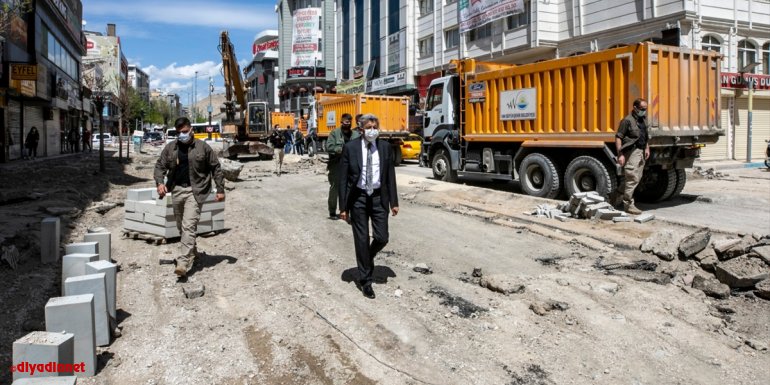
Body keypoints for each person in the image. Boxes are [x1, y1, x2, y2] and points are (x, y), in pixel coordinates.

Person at [154, 117, 225, 277]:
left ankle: (183, 262)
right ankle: (192, 251)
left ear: (191, 129)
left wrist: (220, 189)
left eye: (185, 132)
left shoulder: (203, 147)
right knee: (181, 226)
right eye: (179, 133)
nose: (182, 135)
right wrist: (159, 183)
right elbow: (160, 166)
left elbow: (216, 167)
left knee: (188, 226)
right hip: (177, 190)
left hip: (196, 190)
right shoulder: (171, 148)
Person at [339, 114, 399, 299]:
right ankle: (365, 280)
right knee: (362, 238)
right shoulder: (350, 148)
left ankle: (368, 257)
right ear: (361, 129)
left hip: (379, 197)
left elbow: (390, 175)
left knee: (382, 237)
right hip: (358, 198)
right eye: (369, 127)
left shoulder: (385, 147)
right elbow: (343, 179)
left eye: (375, 126)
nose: (373, 130)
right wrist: (343, 207)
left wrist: (394, 202)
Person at [611, 98, 650, 215]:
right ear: (635, 108)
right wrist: (620, 154)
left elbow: (644, 135)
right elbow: (618, 137)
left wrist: (647, 148)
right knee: (632, 177)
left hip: (641, 152)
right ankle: (628, 205)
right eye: (642, 109)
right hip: (631, 152)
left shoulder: (643, 119)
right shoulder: (626, 121)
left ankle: (615, 197)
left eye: (646, 109)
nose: (644, 111)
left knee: (636, 178)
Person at [326, 113, 359, 219]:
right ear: (341, 122)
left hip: (351, 165)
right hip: (336, 164)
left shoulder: (355, 134)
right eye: (345, 122)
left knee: (350, 189)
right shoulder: (335, 133)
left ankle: (345, 210)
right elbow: (329, 147)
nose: (347, 124)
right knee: (335, 188)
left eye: (349, 122)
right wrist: (341, 150)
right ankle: (332, 211)